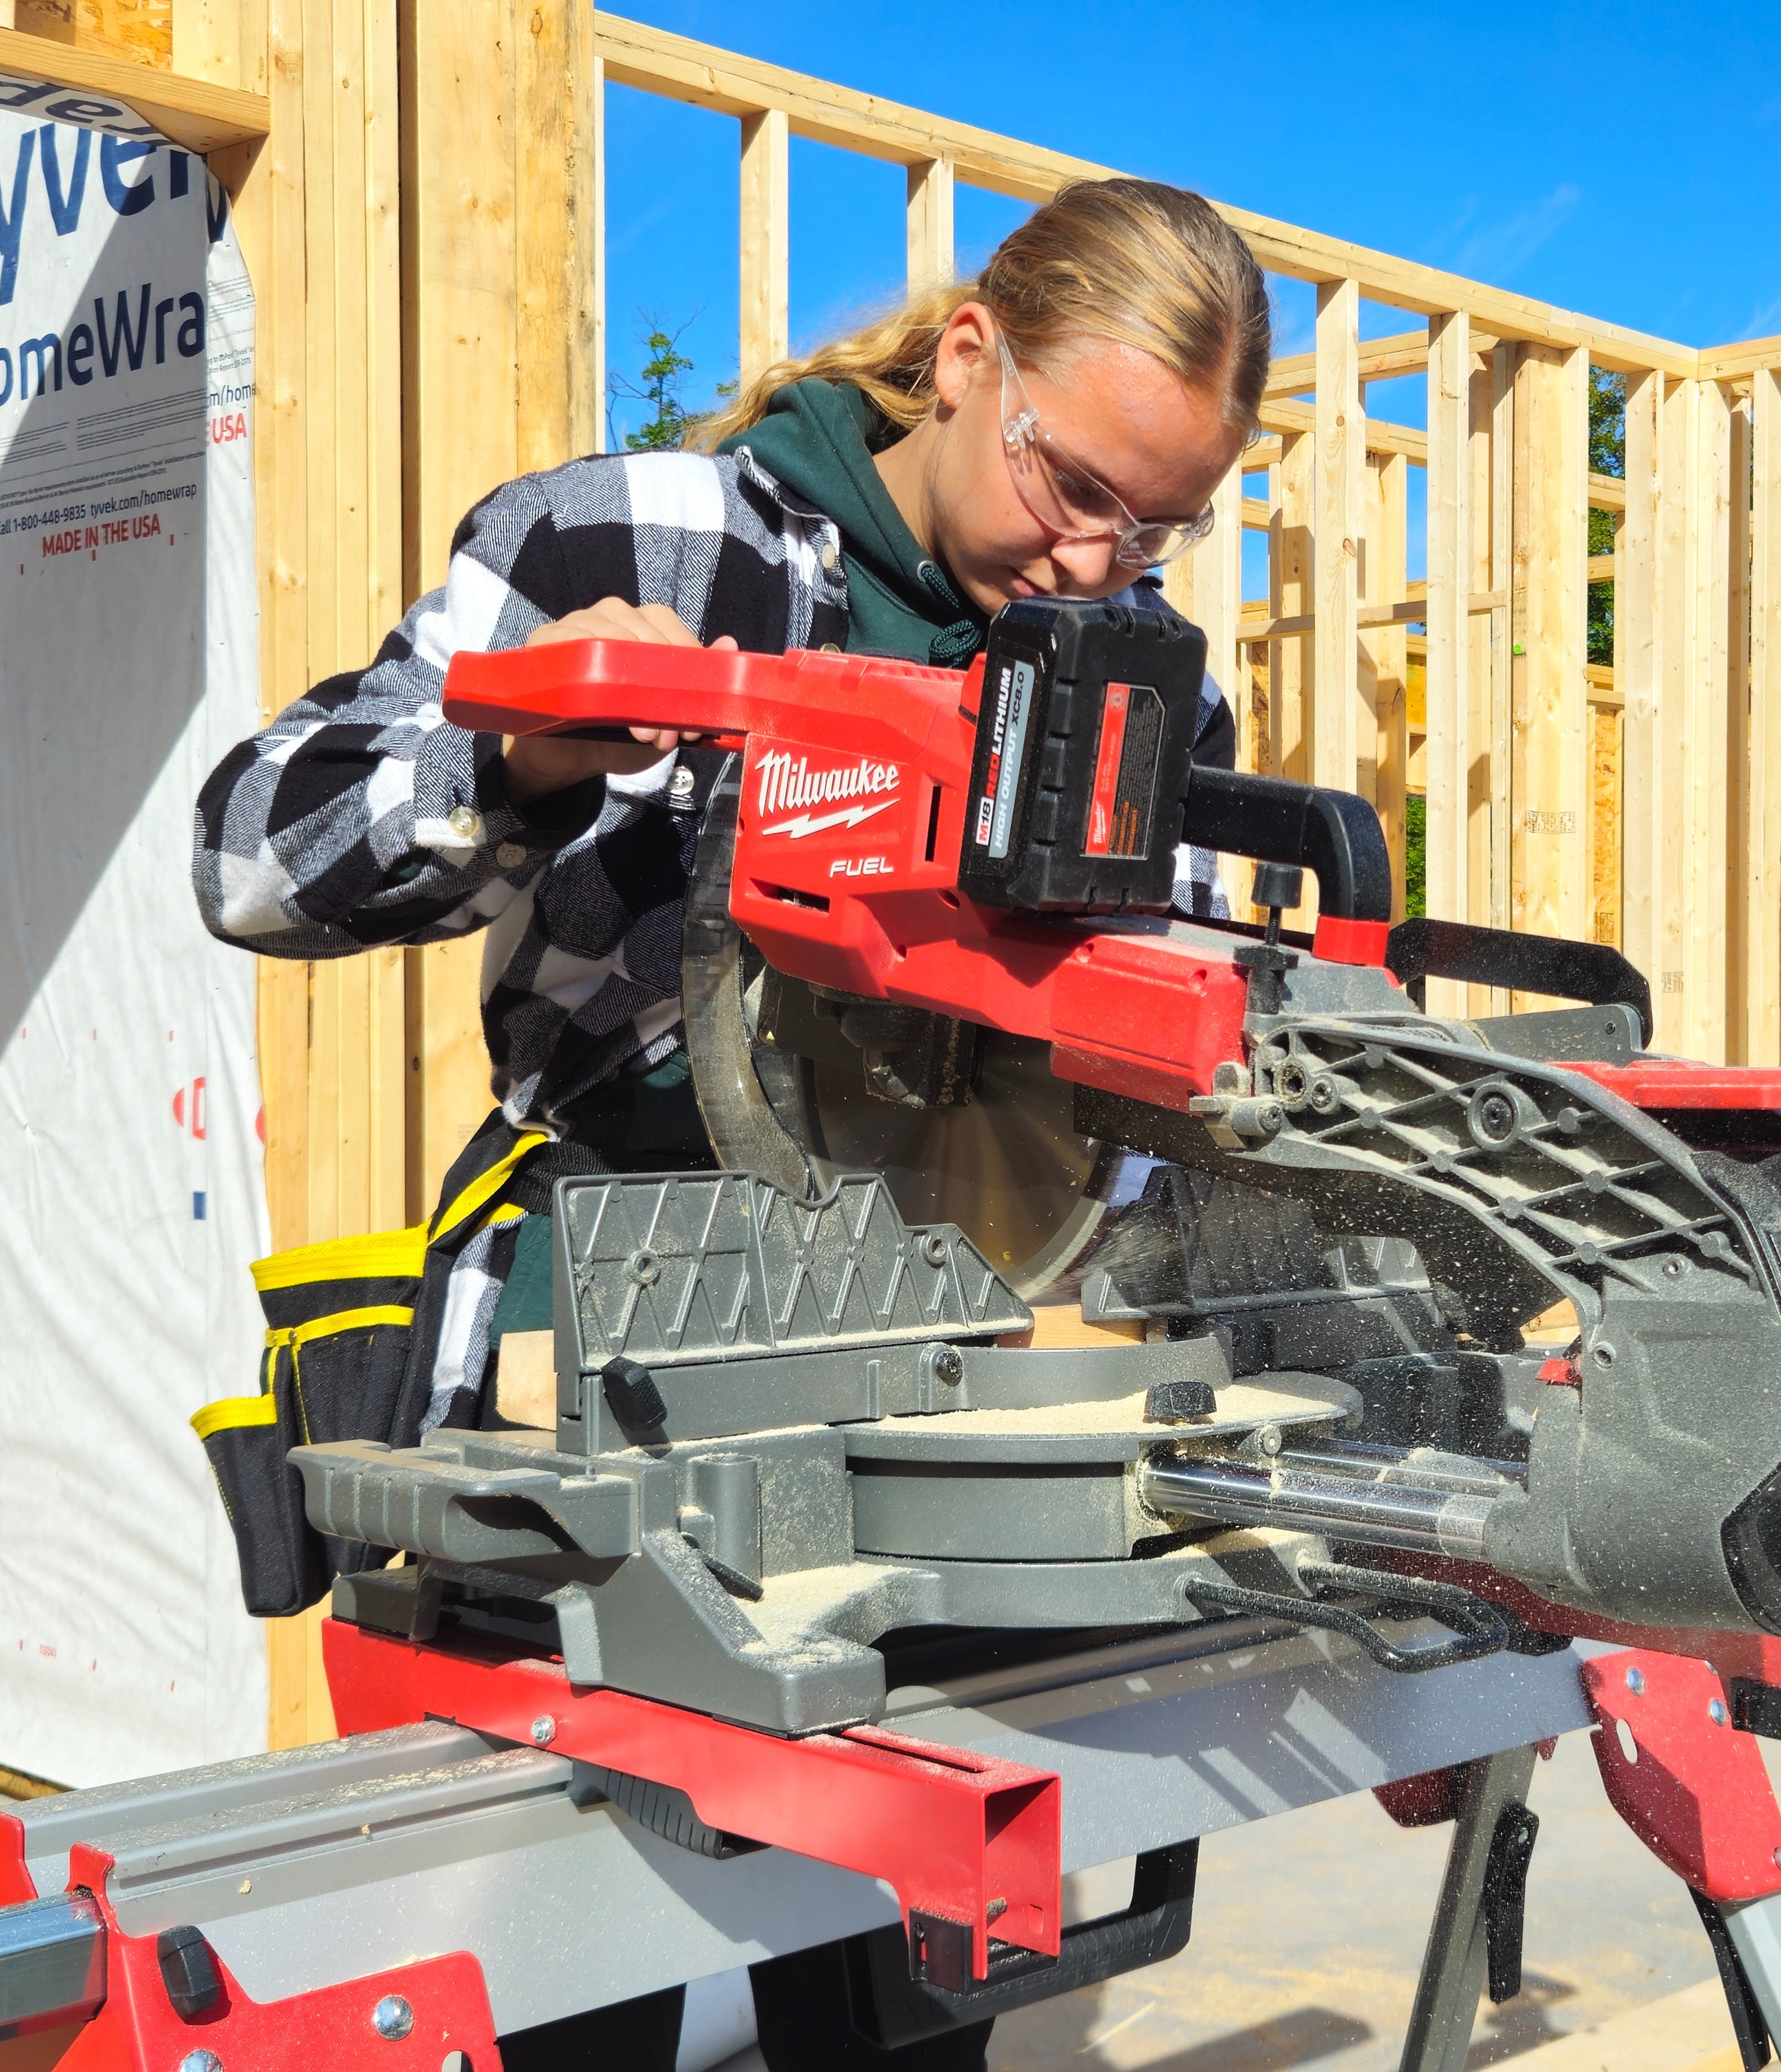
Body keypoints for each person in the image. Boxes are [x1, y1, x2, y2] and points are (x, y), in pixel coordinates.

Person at [193, 179, 1270, 2067]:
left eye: (1158, 520)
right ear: (963, 364)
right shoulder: (653, 539)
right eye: (1070, 484)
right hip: (600, 1320)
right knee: (565, 1961)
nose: (1100, 558)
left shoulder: (1132, 673)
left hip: (922, 1351)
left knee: (899, 1987)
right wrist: (511, 756)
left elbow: (1161, 1031)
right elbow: (254, 845)